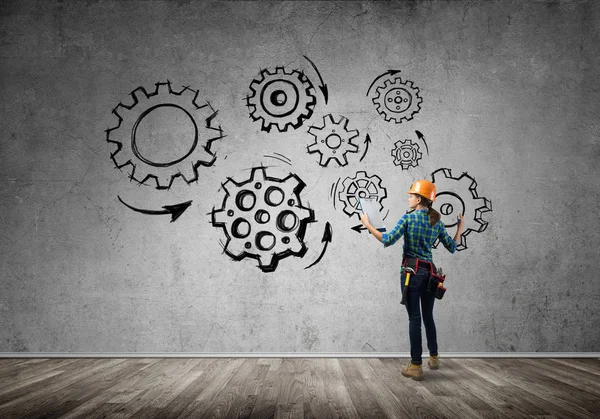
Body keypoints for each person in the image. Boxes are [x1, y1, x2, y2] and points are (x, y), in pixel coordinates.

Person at [360, 179, 464, 381]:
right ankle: (433, 357)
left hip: (411, 273)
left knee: (414, 319)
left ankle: (416, 365)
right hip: (431, 275)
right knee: (428, 317)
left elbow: (387, 240)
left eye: (411, 196)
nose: (408, 198)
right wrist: (459, 229)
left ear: (419, 199)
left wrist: (368, 225)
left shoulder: (408, 219)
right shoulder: (437, 222)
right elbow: (452, 247)